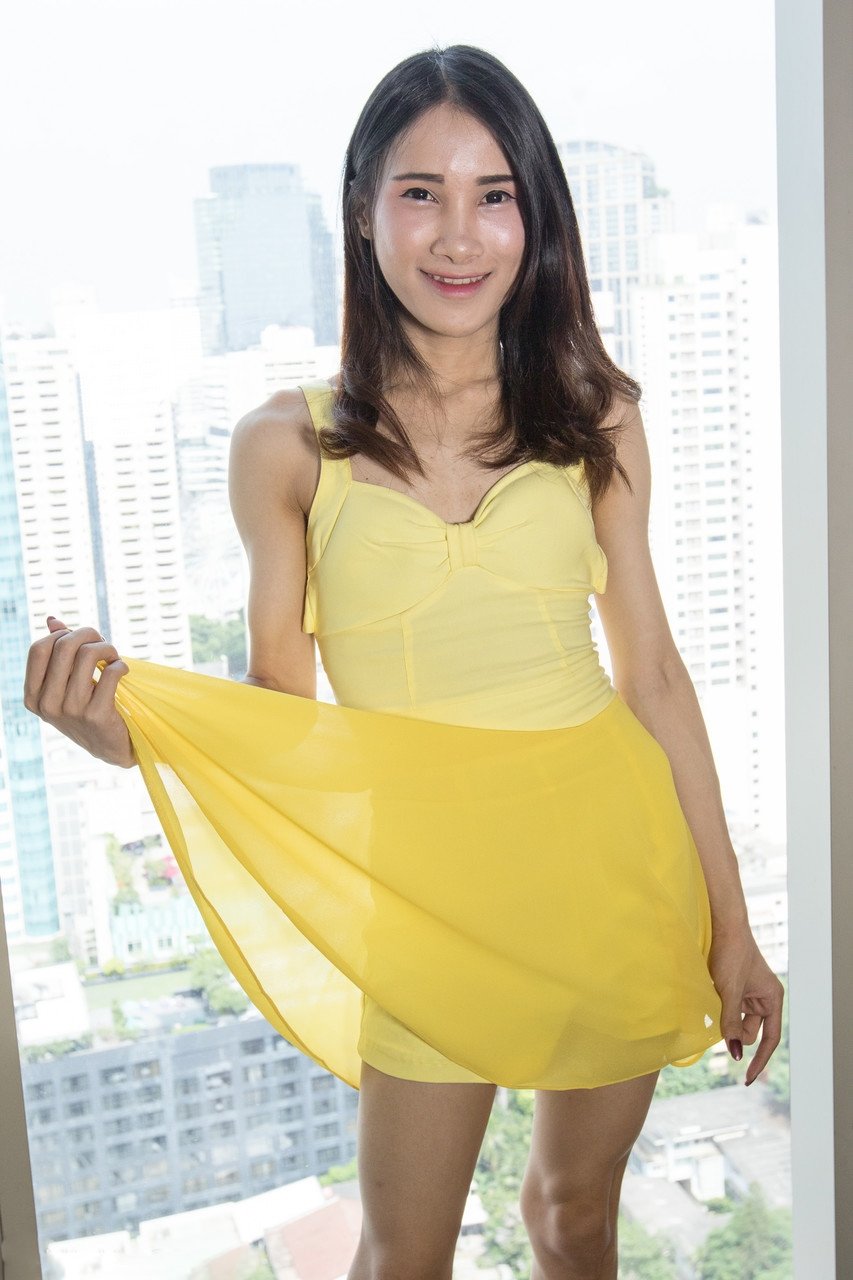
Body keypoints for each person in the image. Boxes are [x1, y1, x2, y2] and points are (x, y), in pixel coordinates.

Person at [24, 44, 784, 1280]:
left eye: (495, 193)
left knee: (572, 1217)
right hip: (424, 901)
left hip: (609, 868)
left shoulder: (596, 414)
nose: (458, 233)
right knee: (401, 1257)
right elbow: (283, 710)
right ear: (363, 210)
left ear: (535, 218)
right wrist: (125, 737)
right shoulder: (286, 445)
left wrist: (734, 924)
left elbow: (650, 673)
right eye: (421, 191)